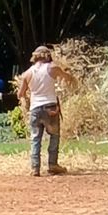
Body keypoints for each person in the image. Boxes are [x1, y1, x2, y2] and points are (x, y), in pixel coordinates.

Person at [17, 45, 62, 176]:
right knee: (54, 136)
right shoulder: (52, 68)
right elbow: (66, 77)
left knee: (36, 139)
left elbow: (20, 94)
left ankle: (35, 168)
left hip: (35, 109)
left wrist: (26, 100)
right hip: (50, 108)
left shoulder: (27, 74)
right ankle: (53, 164)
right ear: (47, 56)